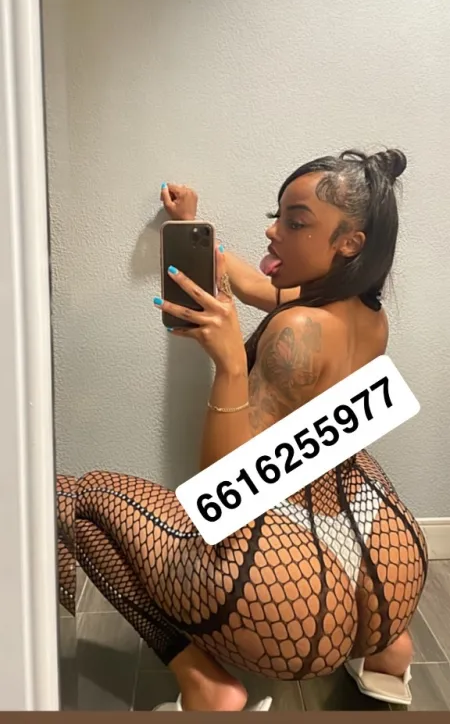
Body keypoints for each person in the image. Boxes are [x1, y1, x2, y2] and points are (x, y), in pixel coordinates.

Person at [74, 149, 427, 712]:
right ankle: (386, 651)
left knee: (77, 498)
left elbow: (223, 499)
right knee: (343, 450)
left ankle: (204, 684)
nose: (272, 230)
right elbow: (254, 284)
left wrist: (230, 367)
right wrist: (190, 228)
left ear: (348, 243)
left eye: (295, 222)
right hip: (388, 569)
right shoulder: (365, 312)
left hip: (297, 601)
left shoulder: (299, 328)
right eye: (276, 215)